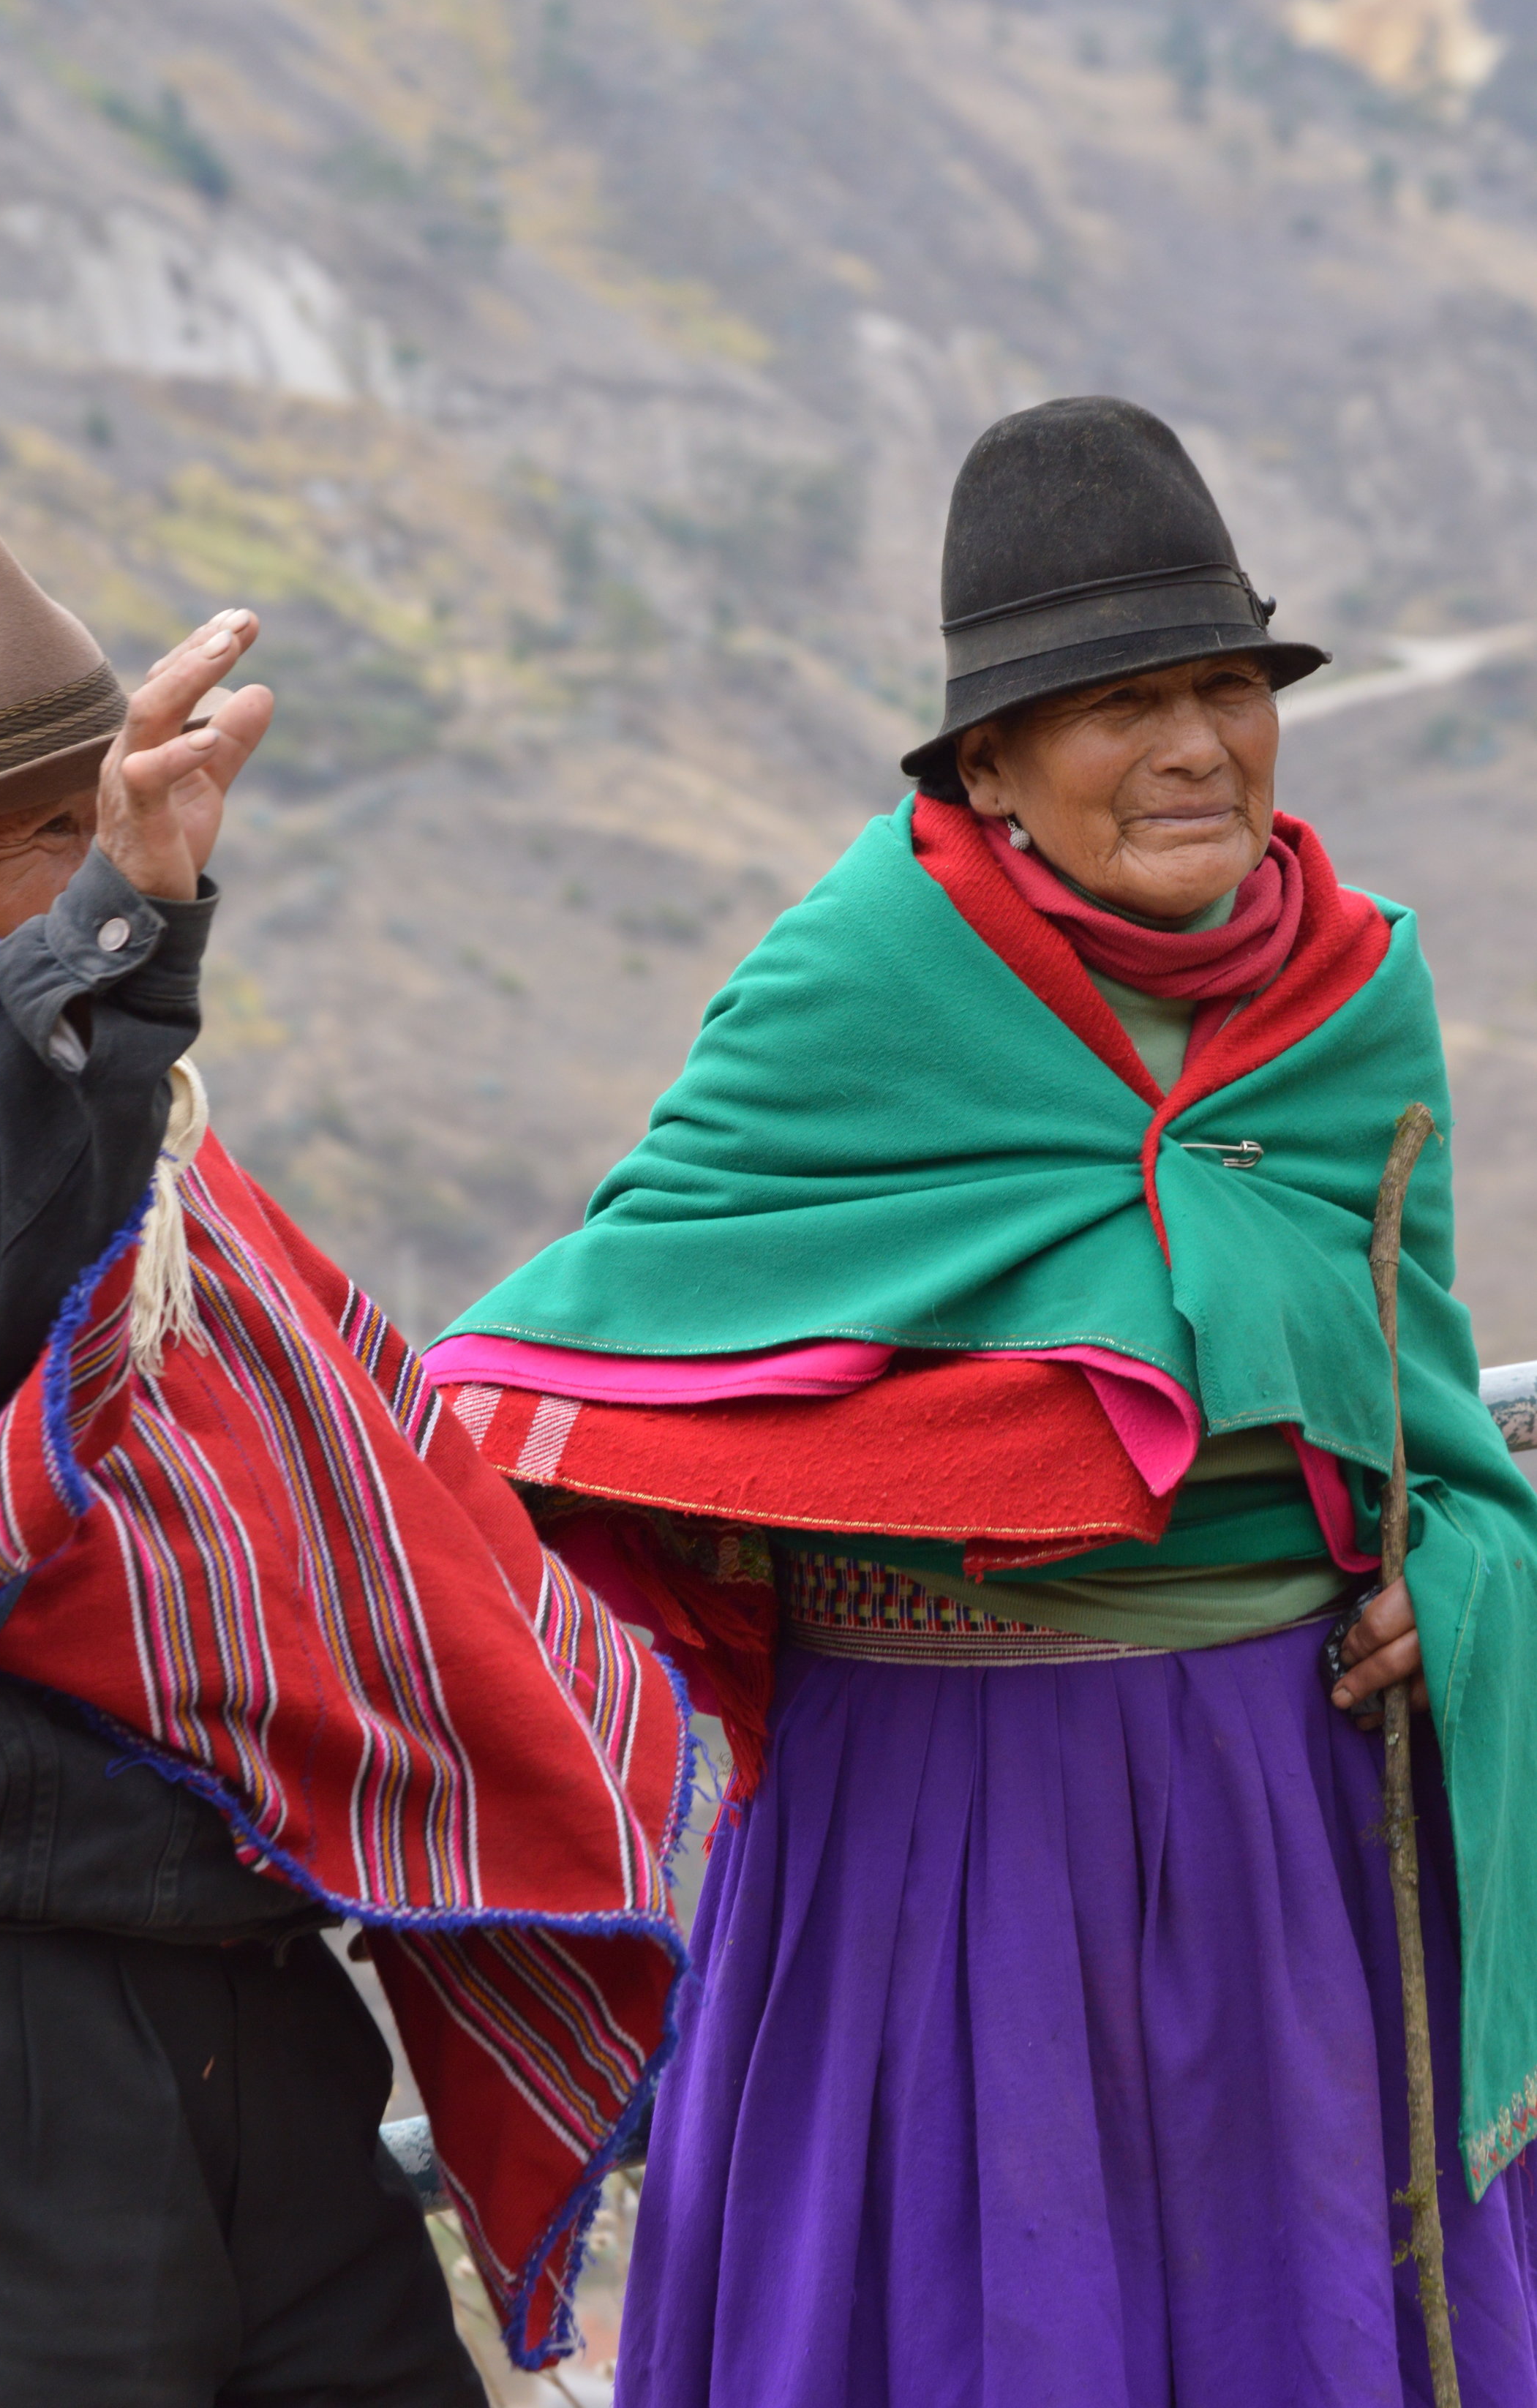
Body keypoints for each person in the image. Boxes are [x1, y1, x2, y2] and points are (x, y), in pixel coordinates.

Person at [426, 398, 1537, 2407]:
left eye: (1227, 687)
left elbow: (1423, 1410)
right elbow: (641, 1324)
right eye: (1119, 703)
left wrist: (1438, 1575)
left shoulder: (1355, 987)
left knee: (1274, 2305)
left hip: (1276, 1793)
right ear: (992, 765)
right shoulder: (858, 981)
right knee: (964, 2305)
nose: (1198, 744)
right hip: (932, 1805)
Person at [0, 501, 688, 2407]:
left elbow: (345, 1472)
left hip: (256, 2020)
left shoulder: (134, 1123)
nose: (97, 869)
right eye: (38, 841)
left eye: (99, 817)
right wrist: (109, 959)